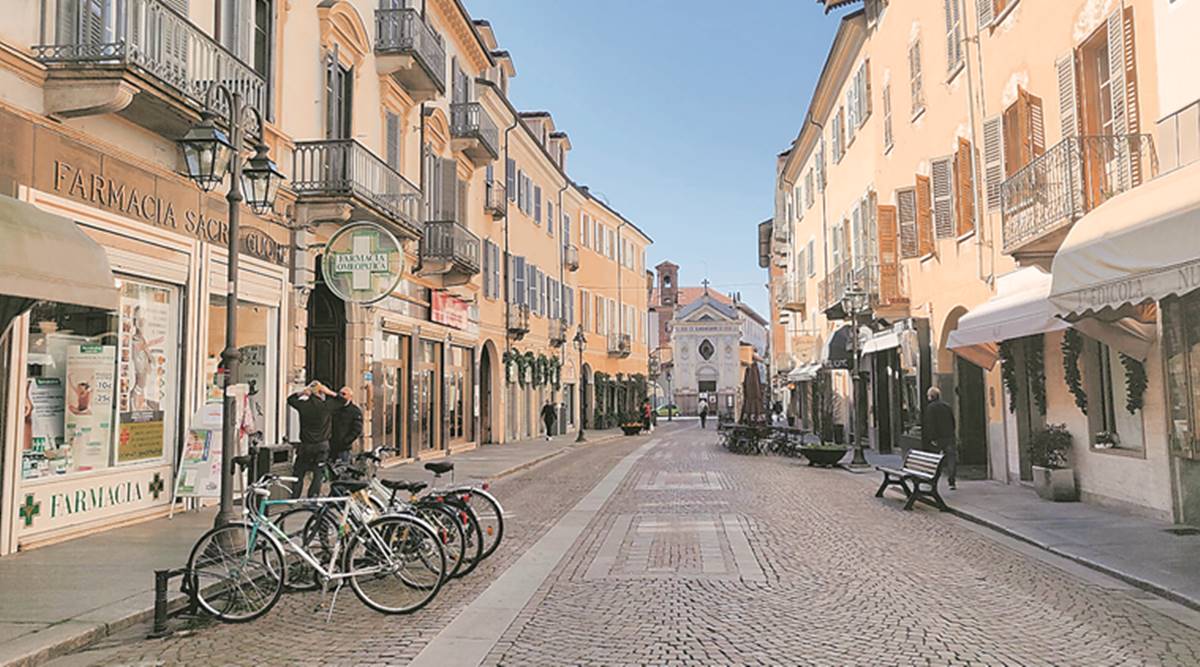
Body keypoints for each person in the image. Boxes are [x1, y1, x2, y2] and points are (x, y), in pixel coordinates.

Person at [286, 381, 346, 498]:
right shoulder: (326, 406)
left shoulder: (304, 405)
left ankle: (294, 498)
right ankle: (312, 497)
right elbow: (343, 401)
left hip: (305, 446)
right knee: (318, 474)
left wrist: (302, 393)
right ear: (321, 393)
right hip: (321, 446)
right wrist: (329, 392)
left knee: (299, 473)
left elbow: (290, 400)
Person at [922, 386, 958, 490]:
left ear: (931, 396)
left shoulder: (931, 408)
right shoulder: (947, 406)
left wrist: (932, 438)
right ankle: (952, 482)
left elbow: (930, 424)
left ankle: (933, 480)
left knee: (935, 460)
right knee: (951, 459)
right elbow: (953, 421)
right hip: (949, 437)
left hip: (938, 438)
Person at [331, 386, 363, 465]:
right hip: (331, 445)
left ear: (350, 397)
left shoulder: (354, 411)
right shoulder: (333, 408)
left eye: (344, 394)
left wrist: (346, 441)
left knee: (343, 469)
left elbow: (357, 429)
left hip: (343, 448)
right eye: (339, 394)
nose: (341, 396)